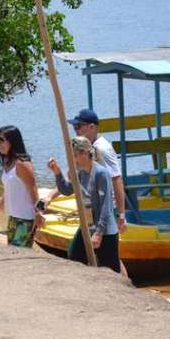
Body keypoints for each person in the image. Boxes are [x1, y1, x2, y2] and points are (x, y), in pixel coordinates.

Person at [42, 109, 129, 276]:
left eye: (79, 127)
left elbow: (115, 184)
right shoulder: (81, 167)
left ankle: (124, 290)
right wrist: (57, 174)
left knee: (111, 266)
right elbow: (68, 187)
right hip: (88, 219)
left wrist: (120, 215)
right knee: (76, 254)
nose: (76, 130)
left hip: (103, 219)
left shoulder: (101, 155)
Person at [48, 136, 121, 272]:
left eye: (74, 155)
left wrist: (99, 232)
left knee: (111, 270)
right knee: (74, 254)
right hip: (87, 225)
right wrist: (57, 173)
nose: (72, 160)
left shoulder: (101, 173)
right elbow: (66, 189)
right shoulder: (80, 173)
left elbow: (106, 206)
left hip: (105, 230)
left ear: (84, 153)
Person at [0, 126, 40, 248]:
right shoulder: (8, 163)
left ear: (12, 141)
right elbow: (9, 189)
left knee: (19, 254)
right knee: (12, 252)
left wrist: (39, 213)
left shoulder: (22, 164)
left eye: (2, 140)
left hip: (25, 219)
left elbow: (33, 189)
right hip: (13, 217)